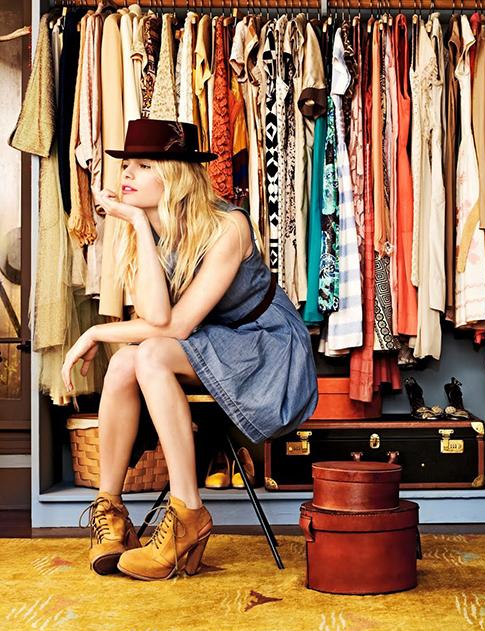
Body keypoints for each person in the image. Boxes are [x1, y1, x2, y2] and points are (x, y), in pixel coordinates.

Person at [61, 119, 318, 581]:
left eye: (144, 165)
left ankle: (187, 514)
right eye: (127, 164)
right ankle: (111, 512)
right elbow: (160, 316)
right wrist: (139, 225)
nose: (127, 174)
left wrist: (96, 333)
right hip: (211, 340)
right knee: (124, 364)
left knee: (150, 353)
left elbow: (173, 326)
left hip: (267, 347)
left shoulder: (228, 226)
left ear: (175, 175)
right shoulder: (150, 228)